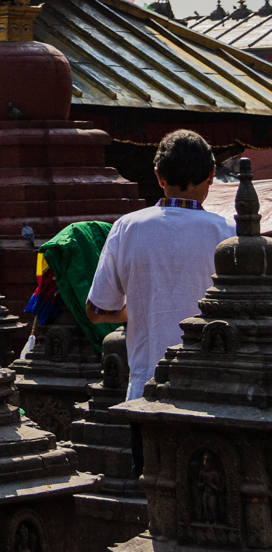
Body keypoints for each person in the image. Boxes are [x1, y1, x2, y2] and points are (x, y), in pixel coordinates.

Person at [87, 129, 234, 465]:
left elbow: (97, 310)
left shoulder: (127, 228)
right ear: (212, 175)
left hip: (147, 388)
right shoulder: (229, 234)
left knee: (155, 494)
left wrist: (139, 310)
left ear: (158, 176)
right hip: (214, 390)